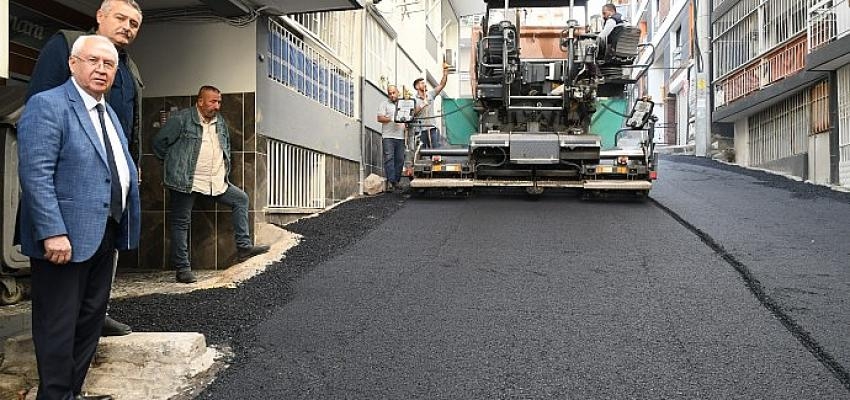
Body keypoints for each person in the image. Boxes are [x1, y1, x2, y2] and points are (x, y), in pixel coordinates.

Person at [17, 35, 141, 400]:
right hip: (64, 238)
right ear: (73, 63)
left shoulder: (109, 114)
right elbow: (35, 174)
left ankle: (71, 393)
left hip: (105, 233)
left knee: (88, 323)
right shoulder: (49, 105)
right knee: (58, 325)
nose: (102, 70)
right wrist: (52, 231)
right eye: (94, 61)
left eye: (109, 65)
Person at [153, 86, 270, 284]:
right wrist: (175, 166)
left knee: (240, 199)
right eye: (212, 101)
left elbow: (224, 148)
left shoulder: (220, 122)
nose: (216, 106)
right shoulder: (181, 119)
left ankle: (244, 249)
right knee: (181, 223)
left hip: (214, 181)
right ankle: (182, 269)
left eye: (219, 102)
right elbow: (158, 144)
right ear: (200, 101)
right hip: (186, 182)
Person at [376, 85, 406, 192]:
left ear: (398, 92)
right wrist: (391, 118)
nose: (392, 95)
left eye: (394, 92)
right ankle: (391, 181)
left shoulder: (403, 104)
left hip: (400, 136)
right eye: (390, 93)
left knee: (400, 160)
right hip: (388, 136)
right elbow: (379, 118)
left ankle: (396, 181)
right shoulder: (384, 104)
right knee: (389, 159)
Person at [412, 63, 449, 148]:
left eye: (424, 83)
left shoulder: (430, 94)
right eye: (422, 83)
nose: (424, 84)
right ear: (417, 86)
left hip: (432, 128)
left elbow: (441, 85)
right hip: (420, 130)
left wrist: (445, 73)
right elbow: (412, 113)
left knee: (435, 152)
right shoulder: (414, 99)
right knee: (421, 153)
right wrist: (422, 105)